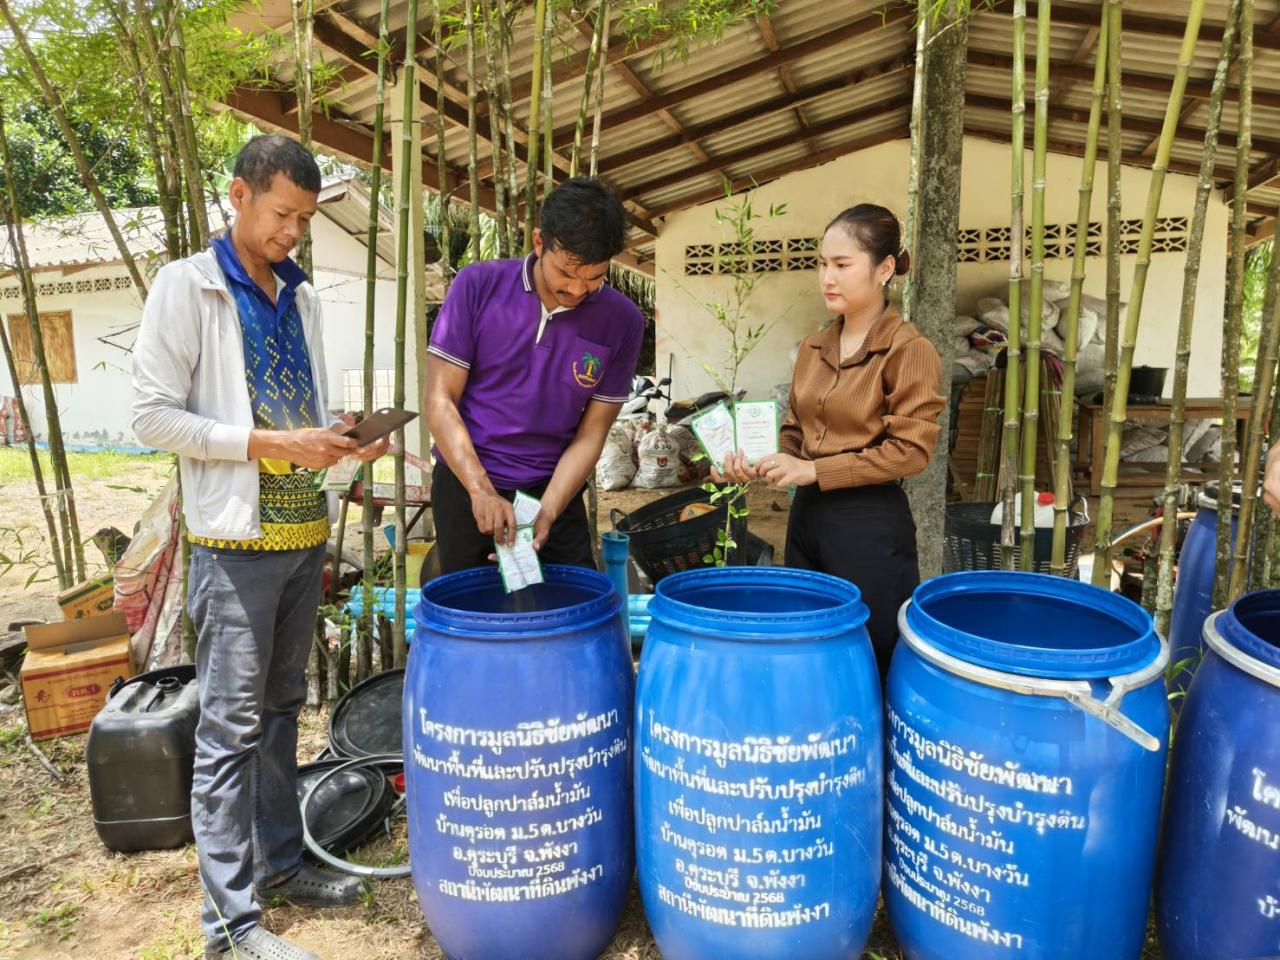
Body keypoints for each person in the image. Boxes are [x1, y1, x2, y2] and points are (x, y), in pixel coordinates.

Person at [132, 135, 388, 960]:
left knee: (281, 715)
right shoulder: (187, 286)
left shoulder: (302, 295)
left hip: (300, 531)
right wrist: (266, 447)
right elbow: (151, 418)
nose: (293, 233)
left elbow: (298, 415)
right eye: (283, 214)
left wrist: (345, 443)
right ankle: (229, 927)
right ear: (238, 196)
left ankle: (281, 865)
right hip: (232, 540)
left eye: (305, 220)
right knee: (230, 730)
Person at [716, 204, 944, 674]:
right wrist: (761, 463)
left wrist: (815, 470)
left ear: (883, 270)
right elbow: (795, 433)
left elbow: (911, 452)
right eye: (822, 263)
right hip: (808, 517)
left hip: (870, 525)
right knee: (807, 646)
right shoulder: (813, 349)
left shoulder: (909, 350)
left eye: (842, 265)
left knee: (871, 653)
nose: (827, 277)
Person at [425, 177, 644, 573]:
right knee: (473, 613)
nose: (578, 289)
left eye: (594, 278)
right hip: (466, 478)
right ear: (539, 242)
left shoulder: (623, 321)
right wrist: (481, 491)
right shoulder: (477, 286)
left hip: (553, 486)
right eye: (566, 273)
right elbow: (441, 400)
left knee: (569, 611)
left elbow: (592, 433)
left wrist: (548, 511)